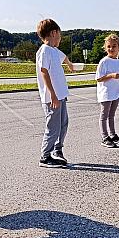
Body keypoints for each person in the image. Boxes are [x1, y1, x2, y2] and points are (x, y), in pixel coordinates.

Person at [35, 19, 75, 167]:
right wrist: (52, 94)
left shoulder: (53, 50)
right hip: (52, 97)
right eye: (59, 36)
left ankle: (57, 151)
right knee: (53, 127)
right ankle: (45, 156)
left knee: (63, 124)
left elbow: (63, 56)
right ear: (53, 33)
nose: (60, 39)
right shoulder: (44, 51)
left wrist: (69, 64)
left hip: (60, 95)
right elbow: (44, 72)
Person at [96, 34, 119, 148]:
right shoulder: (104, 62)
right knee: (104, 115)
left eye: (114, 46)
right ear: (105, 48)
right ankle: (105, 137)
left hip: (116, 93)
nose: (111, 48)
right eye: (109, 46)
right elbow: (99, 78)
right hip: (106, 93)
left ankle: (113, 135)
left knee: (112, 115)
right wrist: (111, 75)